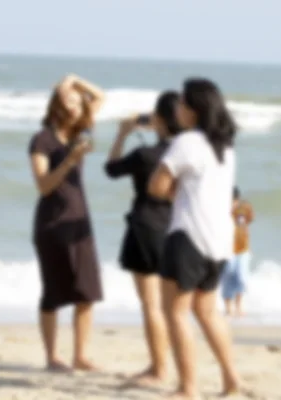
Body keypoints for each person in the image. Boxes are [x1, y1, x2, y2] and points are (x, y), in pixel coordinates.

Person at [148, 78, 241, 399]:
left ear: (193, 110)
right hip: (218, 241)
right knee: (207, 312)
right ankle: (231, 380)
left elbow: (156, 187)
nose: (177, 108)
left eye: (182, 103)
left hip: (188, 236)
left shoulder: (187, 142)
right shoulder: (226, 148)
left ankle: (188, 389)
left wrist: (178, 194)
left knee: (175, 312)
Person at [28, 74, 105, 372]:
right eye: (68, 101)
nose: (75, 106)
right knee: (54, 291)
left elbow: (100, 97)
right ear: (56, 106)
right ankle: (51, 356)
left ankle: (80, 355)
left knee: (87, 291)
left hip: (79, 221)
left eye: (77, 101)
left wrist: (73, 80)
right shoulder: (42, 140)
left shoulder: (79, 130)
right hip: (51, 224)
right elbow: (44, 186)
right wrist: (70, 161)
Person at [103, 91, 181, 384]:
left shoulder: (145, 155)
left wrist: (123, 133)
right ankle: (169, 367)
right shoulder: (188, 152)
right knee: (174, 307)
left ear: (159, 120)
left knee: (151, 304)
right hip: (178, 229)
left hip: (146, 228)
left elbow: (110, 169)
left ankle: (158, 368)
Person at [221, 187, 254, 317]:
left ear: (237, 199)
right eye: (230, 201)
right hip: (227, 250)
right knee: (228, 275)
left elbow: (247, 226)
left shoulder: (244, 208)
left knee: (242, 277)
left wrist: (249, 245)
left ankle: (239, 305)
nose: (232, 204)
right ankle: (228, 306)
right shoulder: (221, 210)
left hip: (243, 250)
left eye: (234, 201)